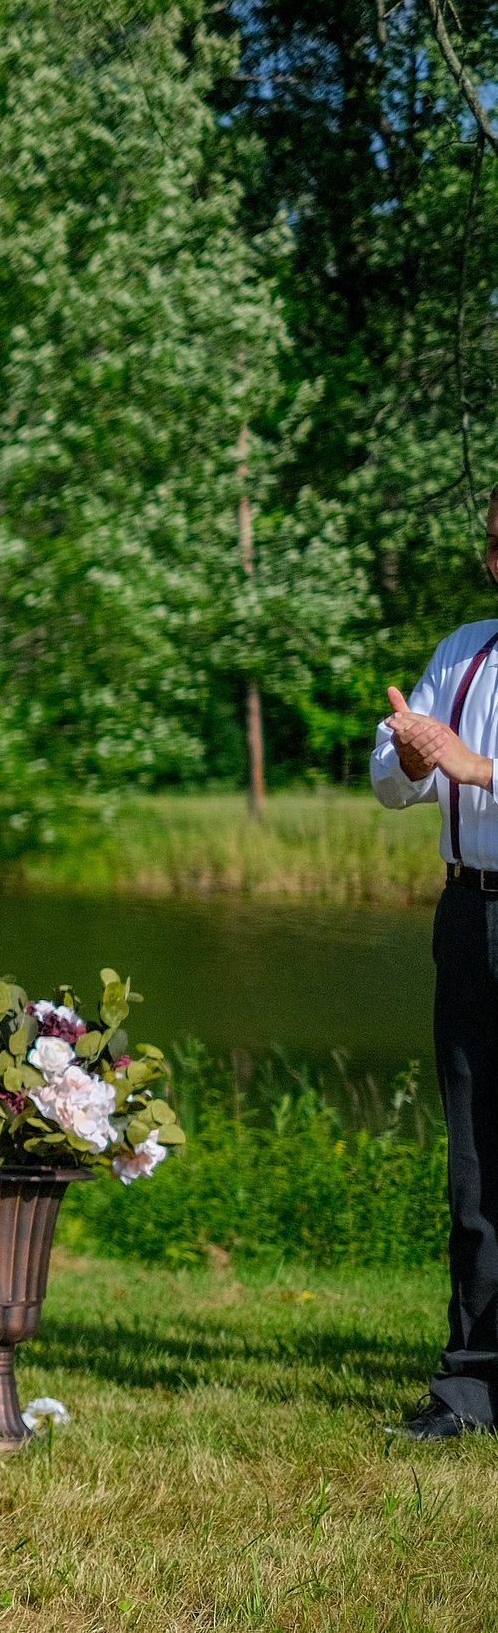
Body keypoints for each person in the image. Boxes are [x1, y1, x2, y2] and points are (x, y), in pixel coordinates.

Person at [376, 491, 498, 1439]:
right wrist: (419, 758)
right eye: (496, 544)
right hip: (468, 916)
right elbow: (392, 776)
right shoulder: (462, 649)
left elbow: (468, 764)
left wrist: (476, 766)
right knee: (475, 1159)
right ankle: (470, 1387)